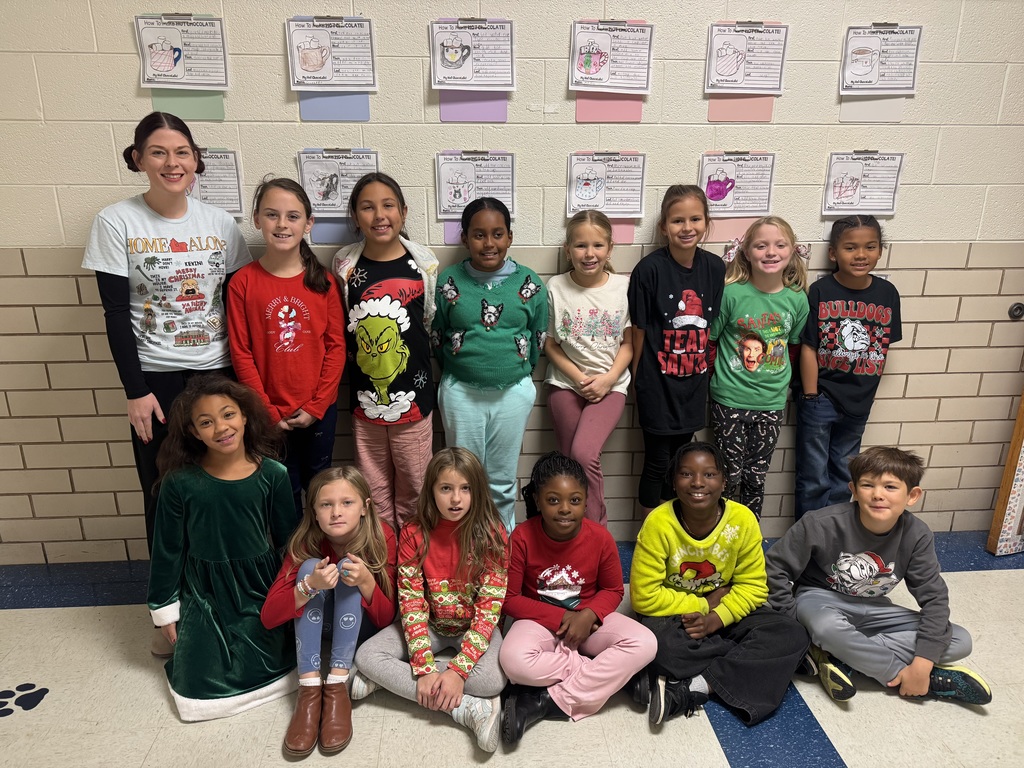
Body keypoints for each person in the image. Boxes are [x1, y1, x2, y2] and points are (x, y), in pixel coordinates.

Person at [82, 112, 250, 656]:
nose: (172, 163)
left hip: (216, 374)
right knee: (164, 496)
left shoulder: (221, 224)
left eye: (181, 152)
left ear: (196, 160)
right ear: (137, 159)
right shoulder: (116, 222)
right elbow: (114, 315)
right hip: (155, 379)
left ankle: (222, 599)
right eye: (158, 152)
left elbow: (237, 304)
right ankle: (169, 617)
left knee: (222, 488)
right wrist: (135, 391)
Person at [766, 446, 991, 705]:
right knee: (826, 628)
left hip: (875, 608)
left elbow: (934, 599)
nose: (877, 495)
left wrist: (923, 662)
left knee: (961, 639)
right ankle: (898, 674)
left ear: (912, 495)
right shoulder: (820, 523)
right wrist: (793, 626)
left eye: (890, 487)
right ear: (853, 490)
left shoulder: (917, 535)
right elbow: (775, 569)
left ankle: (843, 655)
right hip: (820, 600)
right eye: (867, 485)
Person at [147, 375, 296, 721]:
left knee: (267, 656)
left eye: (228, 415)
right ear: (194, 433)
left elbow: (290, 540)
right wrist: (165, 611)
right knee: (199, 676)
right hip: (204, 591)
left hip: (260, 586)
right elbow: (167, 549)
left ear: (245, 416)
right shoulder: (180, 483)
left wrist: (292, 592)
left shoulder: (274, 474)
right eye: (206, 422)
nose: (221, 427)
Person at [630, 442, 809, 726]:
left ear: (725, 481)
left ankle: (696, 686)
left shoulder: (742, 519)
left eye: (710, 474)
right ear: (673, 482)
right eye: (686, 474)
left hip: (725, 610)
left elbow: (753, 587)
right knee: (660, 647)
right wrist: (703, 604)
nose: (698, 482)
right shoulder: (658, 523)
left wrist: (716, 619)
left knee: (792, 634)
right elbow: (644, 598)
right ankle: (767, 662)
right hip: (676, 616)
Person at [348, 448, 509, 752]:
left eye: (465, 489)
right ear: (432, 490)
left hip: (474, 628)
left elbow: (489, 609)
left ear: (477, 491)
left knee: (493, 680)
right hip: (430, 624)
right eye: (446, 488)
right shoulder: (414, 531)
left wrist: (458, 671)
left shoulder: (492, 533)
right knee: (366, 656)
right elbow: (410, 603)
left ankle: (387, 682)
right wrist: (423, 667)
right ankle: (466, 709)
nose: (456, 499)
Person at [499, 452, 656, 744]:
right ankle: (615, 679)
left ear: (586, 501)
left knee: (645, 642)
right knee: (512, 661)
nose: (565, 509)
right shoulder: (521, 537)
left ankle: (545, 701)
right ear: (536, 499)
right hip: (539, 621)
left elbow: (613, 590)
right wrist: (562, 617)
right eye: (553, 500)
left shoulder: (600, 537)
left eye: (575, 500)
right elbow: (509, 599)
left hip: (589, 623)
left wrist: (587, 615)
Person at [228, 178, 345, 518]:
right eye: (272, 215)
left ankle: (324, 557)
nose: (282, 224)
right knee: (282, 491)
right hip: (268, 414)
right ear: (256, 220)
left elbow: (336, 348)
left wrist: (317, 404)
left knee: (322, 488)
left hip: (318, 411)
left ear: (308, 223)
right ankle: (290, 561)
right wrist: (266, 410)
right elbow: (241, 352)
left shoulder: (323, 282)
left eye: (293, 216)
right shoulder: (243, 283)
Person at [261, 466, 398, 756]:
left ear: (365, 507)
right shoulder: (304, 541)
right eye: (326, 504)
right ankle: (309, 688)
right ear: (314, 511)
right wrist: (309, 585)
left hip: (360, 627)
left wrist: (365, 581)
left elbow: (386, 618)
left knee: (350, 567)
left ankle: (337, 684)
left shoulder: (382, 536)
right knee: (312, 567)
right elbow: (269, 616)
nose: (336, 512)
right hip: (320, 624)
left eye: (347, 502)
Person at [433, 198, 548, 532]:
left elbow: (538, 337)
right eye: (479, 235)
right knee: (460, 480)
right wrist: (462, 369)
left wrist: (516, 371)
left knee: (500, 479)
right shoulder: (448, 281)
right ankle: (462, 547)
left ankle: (501, 551)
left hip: (512, 392)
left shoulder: (530, 283)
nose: (489, 243)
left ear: (509, 237)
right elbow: (438, 334)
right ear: (465, 239)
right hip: (460, 393)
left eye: (497, 234)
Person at [333, 173, 439, 530]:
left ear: (404, 212)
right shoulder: (344, 266)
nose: (379, 215)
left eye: (388, 205)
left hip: (414, 403)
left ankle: (411, 564)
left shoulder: (424, 265)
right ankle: (382, 565)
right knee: (373, 496)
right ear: (355, 216)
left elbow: (427, 322)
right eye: (367, 207)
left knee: (416, 490)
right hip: (365, 407)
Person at [795, 215, 902, 519]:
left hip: (859, 402)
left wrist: (866, 392)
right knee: (813, 477)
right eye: (850, 247)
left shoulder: (887, 294)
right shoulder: (820, 291)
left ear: (880, 251)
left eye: (870, 246)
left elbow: (881, 347)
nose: (860, 255)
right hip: (821, 398)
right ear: (833, 253)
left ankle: (835, 534)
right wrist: (812, 395)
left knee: (844, 476)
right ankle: (808, 538)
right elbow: (809, 346)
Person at [628, 186, 726, 514]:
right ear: (663, 227)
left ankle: (676, 533)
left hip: (693, 384)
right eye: (677, 220)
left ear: (706, 222)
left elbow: (709, 326)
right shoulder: (649, 270)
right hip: (656, 384)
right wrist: (636, 381)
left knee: (682, 464)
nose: (687, 227)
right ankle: (649, 536)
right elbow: (639, 331)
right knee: (657, 461)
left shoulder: (714, 268)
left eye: (695, 219)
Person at [708, 216, 809, 518]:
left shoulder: (797, 299)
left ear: (792, 251)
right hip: (729, 401)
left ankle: (748, 539)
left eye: (780, 245)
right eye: (761, 245)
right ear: (747, 252)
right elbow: (710, 344)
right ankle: (720, 533)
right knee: (728, 477)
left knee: (756, 477)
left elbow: (793, 350)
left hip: (771, 403)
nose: (770, 252)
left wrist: (779, 385)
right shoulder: (731, 293)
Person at [544, 211, 632, 527]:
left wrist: (607, 380)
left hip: (610, 387)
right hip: (567, 384)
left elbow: (629, 344)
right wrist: (580, 378)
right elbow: (550, 345)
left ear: (610, 249)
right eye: (580, 245)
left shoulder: (623, 287)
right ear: (568, 250)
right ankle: (568, 532)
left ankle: (596, 529)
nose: (589, 253)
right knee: (569, 463)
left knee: (583, 454)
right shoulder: (555, 286)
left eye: (597, 245)